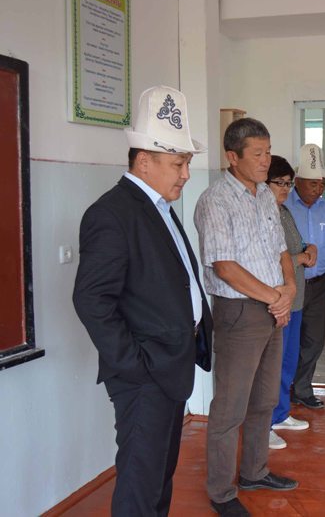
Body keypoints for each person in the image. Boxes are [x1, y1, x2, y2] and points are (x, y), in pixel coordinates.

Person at [73, 85, 212, 516]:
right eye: (178, 163)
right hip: (145, 374)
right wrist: (135, 365)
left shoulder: (159, 207)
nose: (186, 174)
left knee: (158, 476)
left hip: (170, 365)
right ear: (144, 161)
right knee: (139, 482)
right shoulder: (112, 214)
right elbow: (91, 299)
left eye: (187, 163)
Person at [195, 118, 298, 517]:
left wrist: (289, 289)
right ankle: (222, 492)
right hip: (239, 312)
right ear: (232, 157)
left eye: (268, 152)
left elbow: (281, 251)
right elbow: (224, 266)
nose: (266, 160)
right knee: (230, 406)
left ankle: (255, 471)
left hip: (273, 309)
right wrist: (276, 298)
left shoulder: (264, 196)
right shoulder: (216, 200)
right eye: (258, 154)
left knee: (265, 398)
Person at [285, 144, 325, 410]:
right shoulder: (283, 207)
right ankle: (282, 391)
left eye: (322, 184)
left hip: (319, 285)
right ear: (297, 181)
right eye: (313, 184)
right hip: (292, 283)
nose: (318, 189)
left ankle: (303, 389)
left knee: (314, 340)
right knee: (289, 341)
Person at [266, 156, 317, 450]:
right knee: (271, 367)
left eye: (288, 183)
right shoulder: (263, 215)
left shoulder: (284, 211)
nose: (285, 188)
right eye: (279, 183)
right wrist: (301, 258)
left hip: (295, 300)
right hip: (278, 301)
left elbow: (294, 246)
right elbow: (270, 259)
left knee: (287, 362)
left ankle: (281, 413)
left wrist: (309, 249)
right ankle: (265, 423)